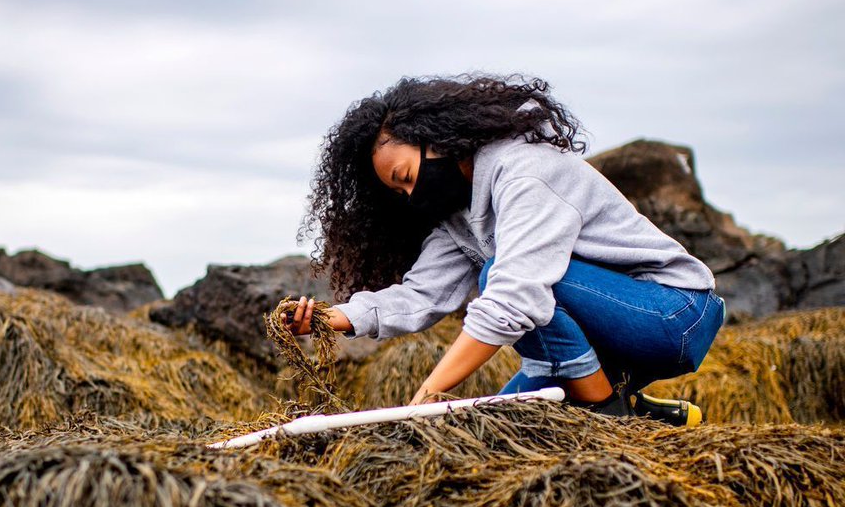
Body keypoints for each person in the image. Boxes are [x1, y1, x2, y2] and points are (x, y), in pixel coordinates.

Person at [284, 74, 725, 425]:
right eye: (398, 192)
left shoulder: (527, 172)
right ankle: (643, 415)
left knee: (499, 273)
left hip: (674, 314)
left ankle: (605, 410)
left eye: (405, 175)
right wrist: (330, 319)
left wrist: (427, 395)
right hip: (607, 338)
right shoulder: (458, 215)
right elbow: (420, 295)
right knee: (505, 418)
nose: (411, 194)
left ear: (435, 138)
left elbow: (514, 296)